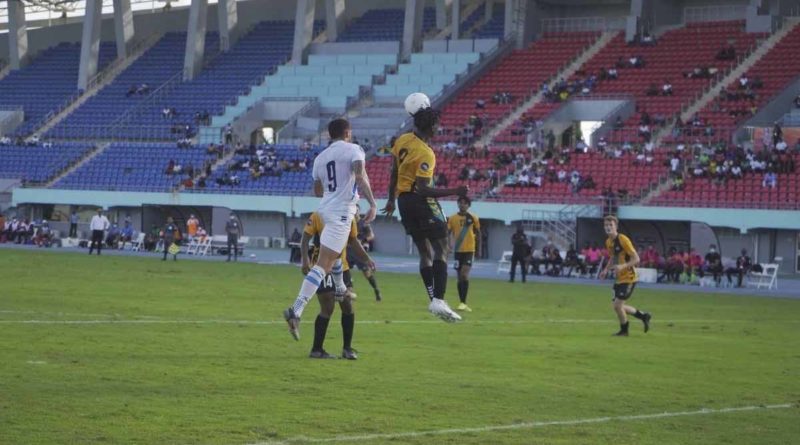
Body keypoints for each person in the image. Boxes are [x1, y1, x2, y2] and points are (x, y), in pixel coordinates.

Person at [283, 118, 378, 340]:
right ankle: (295, 310)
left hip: (325, 209)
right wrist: (372, 203)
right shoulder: (354, 149)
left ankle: (339, 288)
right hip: (342, 212)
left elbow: (318, 190)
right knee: (323, 264)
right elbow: (359, 175)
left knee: (335, 254)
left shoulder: (320, 158)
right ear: (347, 132)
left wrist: (336, 191)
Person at [381, 93, 467, 323]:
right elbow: (424, 189)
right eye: (437, 125)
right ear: (431, 126)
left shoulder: (402, 139)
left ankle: (433, 299)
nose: (439, 129)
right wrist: (455, 191)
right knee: (443, 247)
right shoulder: (426, 153)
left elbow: (394, 173)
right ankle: (439, 300)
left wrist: (390, 200)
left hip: (402, 202)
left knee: (424, 253)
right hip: (420, 201)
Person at [302, 211, 374, 359]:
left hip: (343, 268)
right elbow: (305, 238)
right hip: (322, 267)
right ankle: (317, 349)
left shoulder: (349, 217)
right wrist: (304, 261)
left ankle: (347, 349)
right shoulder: (318, 214)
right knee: (328, 307)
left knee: (347, 306)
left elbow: (354, 241)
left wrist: (367, 259)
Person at [599, 215, 652, 336]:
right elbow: (613, 257)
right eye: (606, 225)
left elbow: (636, 259)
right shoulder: (608, 242)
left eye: (610, 225)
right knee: (618, 306)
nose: (608, 227)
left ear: (616, 227)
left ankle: (624, 330)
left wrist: (622, 266)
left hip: (629, 278)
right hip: (619, 279)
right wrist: (605, 270)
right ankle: (644, 316)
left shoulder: (623, 239)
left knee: (618, 306)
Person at [447, 196, 480, 312]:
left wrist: (478, 249)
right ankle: (461, 302)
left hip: (469, 251)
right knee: (459, 277)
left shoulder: (473, 218)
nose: (462, 205)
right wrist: (448, 245)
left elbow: (478, 233)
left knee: (464, 274)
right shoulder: (452, 218)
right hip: (458, 251)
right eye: (460, 203)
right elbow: (448, 233)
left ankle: (463, 302)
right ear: (457, 204)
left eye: (465, 203)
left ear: (468, 205)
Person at [348, 210, 382, 301]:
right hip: (348, 251)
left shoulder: (364, 224)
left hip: (359, 252)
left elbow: (371, 235)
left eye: (355, 212)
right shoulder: (348, 223)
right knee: (345, 271)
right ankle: (350, 292)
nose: (354, 213)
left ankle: (376, 290)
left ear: (358, 212)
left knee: (367, 273)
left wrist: (364, 240)